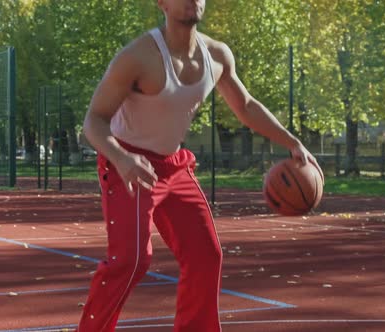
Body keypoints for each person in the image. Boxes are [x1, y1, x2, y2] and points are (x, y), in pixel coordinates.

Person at [79, 1, 319, 331]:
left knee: (206, 256)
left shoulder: (217, 56)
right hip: (127, 164)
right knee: (132, 261)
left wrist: (291, 141)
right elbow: (93, 121)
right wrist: (121, 157)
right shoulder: (137, 57)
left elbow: (246, 106)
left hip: (172, 166)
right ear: (161, 3)